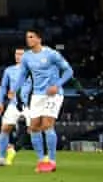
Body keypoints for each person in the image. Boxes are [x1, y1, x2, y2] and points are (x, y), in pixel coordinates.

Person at [21, 27, 74, 173]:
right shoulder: (26, 57)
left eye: (31, 37)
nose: (28, 39)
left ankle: (52, 161)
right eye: (27, 37)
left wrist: (57, 85)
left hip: (53, 94)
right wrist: (14, 89)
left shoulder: (51, 54)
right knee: (34, 127)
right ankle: (41, 160)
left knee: (47, 125)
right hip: (37, 95)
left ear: (39, 39)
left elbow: (69, 71)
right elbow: (23, 75)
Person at [0, 47, 27, 167]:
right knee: (5, 129)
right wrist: (0, 102)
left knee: (36, 131)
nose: (18, 56)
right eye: (16, 54)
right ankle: (1, 159)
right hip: (14, 104)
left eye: (21, 54)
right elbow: (3, 87)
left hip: (29, 105)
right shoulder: (9, 70)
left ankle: (45, 159)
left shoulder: (33, 70)